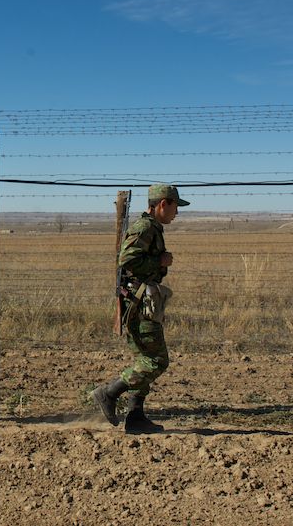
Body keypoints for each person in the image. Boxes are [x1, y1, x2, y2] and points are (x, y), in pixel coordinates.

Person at [93, 183, 189, 434]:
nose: (176, 213)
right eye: (175, 207)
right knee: (156, 360)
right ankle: (108, 392)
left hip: (141, 302)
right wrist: (160, 260)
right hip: (138, 305)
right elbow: (126, 260)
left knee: (144, 359)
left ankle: (135, 418)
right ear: (162, 204)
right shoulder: (145, 227)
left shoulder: (152, 227)